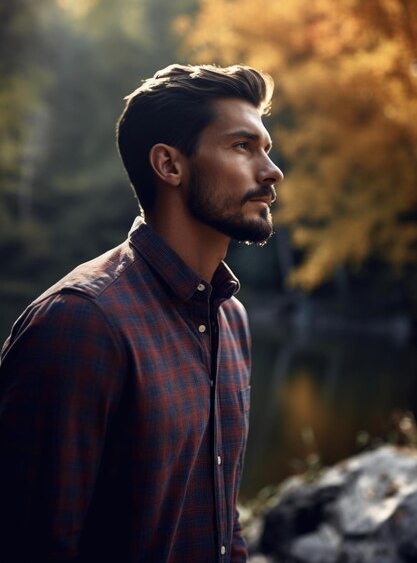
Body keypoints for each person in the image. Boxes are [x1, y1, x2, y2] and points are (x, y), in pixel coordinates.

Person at [0, 64, 284, 563]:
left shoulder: (230, 319)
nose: (271, 170)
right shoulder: (81, 324)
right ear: (170, 166)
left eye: (266, 148)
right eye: (242, 146)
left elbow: (224, 523)